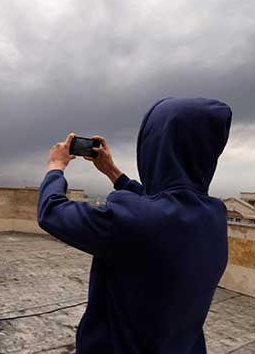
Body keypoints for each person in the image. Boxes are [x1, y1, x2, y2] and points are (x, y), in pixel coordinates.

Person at [37, 97, 232, 354]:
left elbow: (51, 212)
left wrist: (56, 167)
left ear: (155, 146)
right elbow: (164, 206)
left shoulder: (133, 219)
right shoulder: (213, 214)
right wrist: (112, 172)